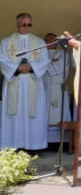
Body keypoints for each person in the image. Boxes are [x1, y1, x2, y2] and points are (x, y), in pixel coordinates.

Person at [0, 13, 50, 152]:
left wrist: (31, 67)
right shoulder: (6, 42)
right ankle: (12, 146)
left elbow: (45, 60)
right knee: (14, 115)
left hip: (32, 81)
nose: (27, 27)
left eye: (30, 24)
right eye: (24, 24)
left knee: (31, 114)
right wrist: (17, 68)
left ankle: (33, 146)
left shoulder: (39, 42)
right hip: (14, 81)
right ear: (17, 24)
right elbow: (2, 59)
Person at [43, 32, 72, 144]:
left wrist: (47, 63)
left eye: (51, 38)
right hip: (44, 89)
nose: (48, 40)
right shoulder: (41, 54)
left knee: (60, 112)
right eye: (46, 39)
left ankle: (61, 142)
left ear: (57, 41)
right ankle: (45, 141)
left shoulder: (63, 53)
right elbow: (38, 68)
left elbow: (59, 69)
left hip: (59, 89)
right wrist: (49, 62)